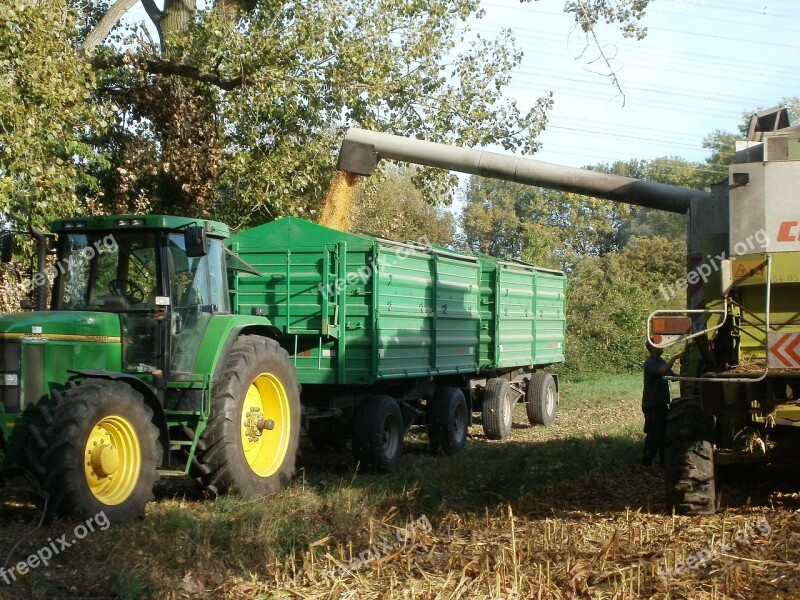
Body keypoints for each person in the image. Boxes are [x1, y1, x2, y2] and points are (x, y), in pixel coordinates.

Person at [642, 341, 686, 467]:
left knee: (663, 433)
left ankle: (662, 462)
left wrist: (686, 376)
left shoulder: (660, 360)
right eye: (657, 345)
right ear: (651, 348)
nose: (661, 346)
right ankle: (646, 461)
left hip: (661, 403)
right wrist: (675, 357)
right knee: (654, 433)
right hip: (652, 404)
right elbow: (662, 371)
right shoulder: (650, 362)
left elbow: (672, 376)